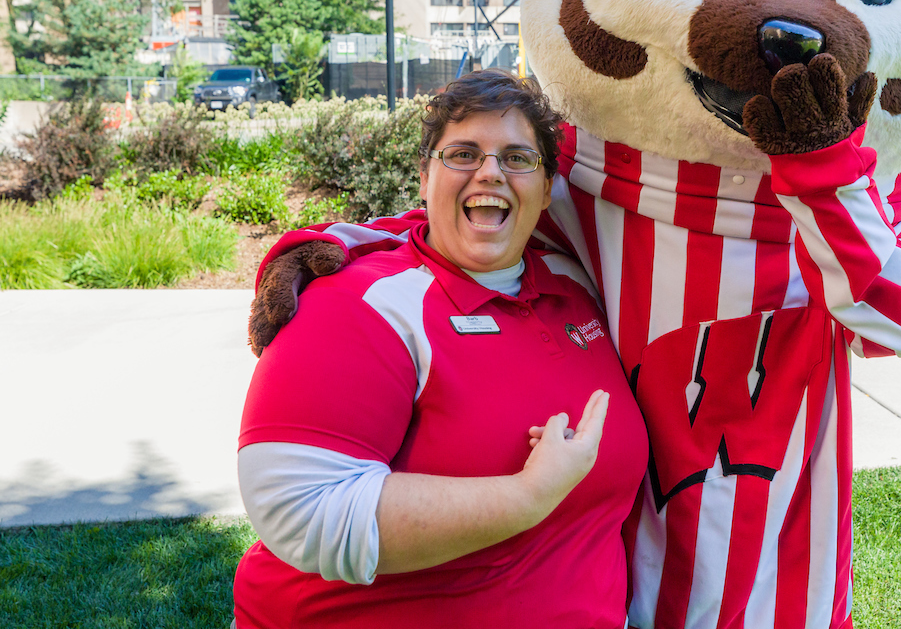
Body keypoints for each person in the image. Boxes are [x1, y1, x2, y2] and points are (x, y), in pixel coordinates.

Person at [233, 70, 648, 628]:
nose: (491, 172)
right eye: (463, 154)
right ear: (425, 175)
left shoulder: (577, 285)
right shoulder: (363, 301)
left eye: (518, 158)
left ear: (548, 188)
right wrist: (527, 495)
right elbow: (299, 509)